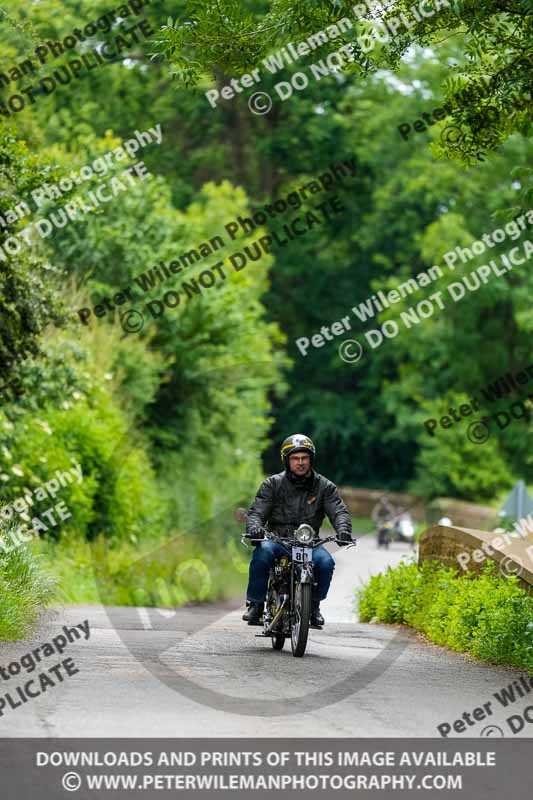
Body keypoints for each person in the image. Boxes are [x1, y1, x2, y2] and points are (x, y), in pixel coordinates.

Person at [242, 433, 353, 628]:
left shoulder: (325, 487)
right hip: (277, 540)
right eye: (295, 458)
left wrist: (343, 529)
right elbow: (257, 512)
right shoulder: (272, 484)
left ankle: (313, 606)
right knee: (263, 552)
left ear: (311, 459)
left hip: (309, 543)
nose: (300, 463)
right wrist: (255, 528)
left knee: (326, 563)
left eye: (304, 458)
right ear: (287, 460)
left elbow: (339, 511)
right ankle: (256, 604)